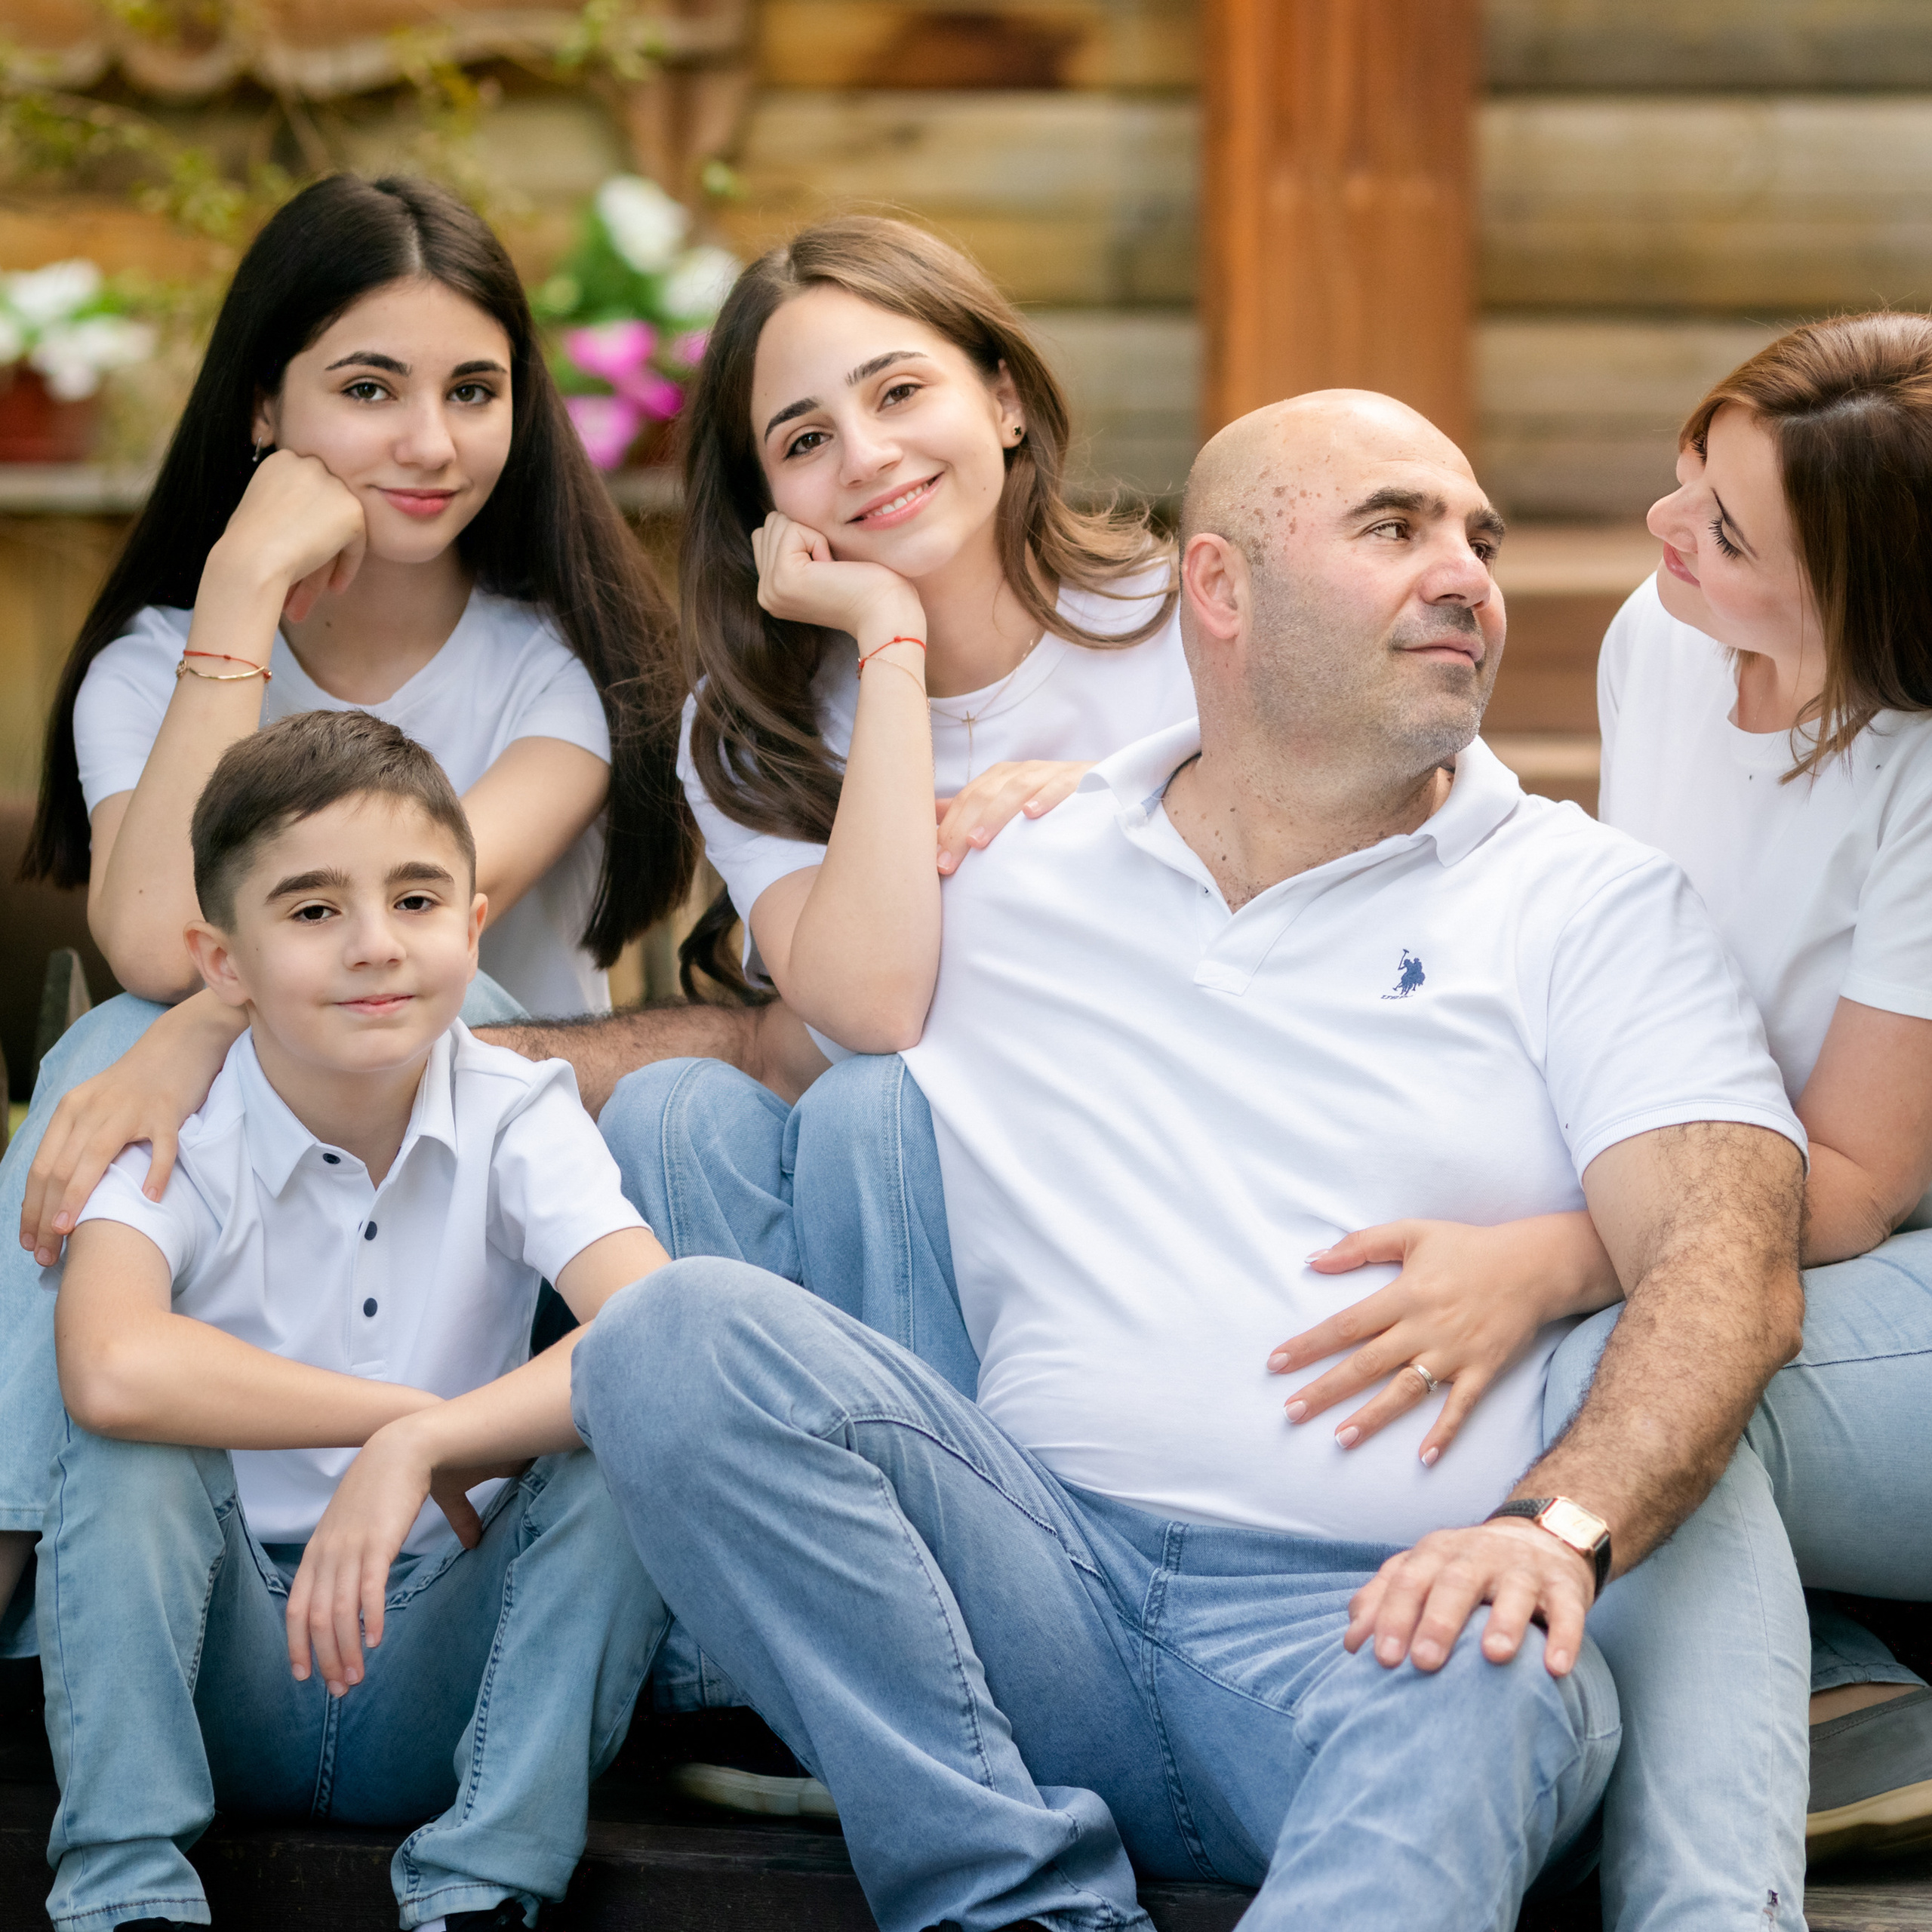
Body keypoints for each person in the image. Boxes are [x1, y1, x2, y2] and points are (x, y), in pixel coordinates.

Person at [569, 390, 1810, 1931]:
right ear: (1217, 589)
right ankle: (1006, 1896)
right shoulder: (1013, 863)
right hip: (1029, 1590)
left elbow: (1722, 1255)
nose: (1465, 573)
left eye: (1476, 537)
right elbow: (760, 1046)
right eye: (1392, 526)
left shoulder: (1590, 902)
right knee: (675, 1335)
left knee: (1495, 1673)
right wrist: (369, 1048)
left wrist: (1544, 1526)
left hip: (1369, 1632)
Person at [1248, 314, 1932, 1880]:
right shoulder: (1667, 633)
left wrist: (1552, 1255)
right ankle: (1843, 1687)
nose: (1658, 525)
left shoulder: (1914, 776)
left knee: (1646, 1372)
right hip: (1737, 1201)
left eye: (1723, 527)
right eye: (1691, 472)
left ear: (1864, 596)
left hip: (1874, 1254)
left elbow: (1842, 1174)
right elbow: (1651, 991)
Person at [0, 171, 706, 1640]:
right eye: (369, 387)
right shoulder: (156, 658)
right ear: (264, 408)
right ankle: (35, 1556)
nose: (432, 443)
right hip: (281, 1183)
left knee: (113, 1048)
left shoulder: (555, 668)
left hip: (497, 1151)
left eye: (474, 389)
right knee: (113, 1046)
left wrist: (179, 1030)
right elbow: (154, 935)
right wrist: (243, 590)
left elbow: (398, 946)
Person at [38, 708, 672, 1932]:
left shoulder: (514, 1110)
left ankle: (483, 1887)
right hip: (225, 1671)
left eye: (421, 902)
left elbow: (649, 1339)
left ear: (473, 925)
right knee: (128, 1460)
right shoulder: (181, 1121)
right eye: (315, 911)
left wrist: (420, 1458)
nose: (377, 946)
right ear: (221, 963)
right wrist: (406, 1424)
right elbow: (109, 1366)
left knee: (632, 1452)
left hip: (449, 1669)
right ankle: (127, 1893)